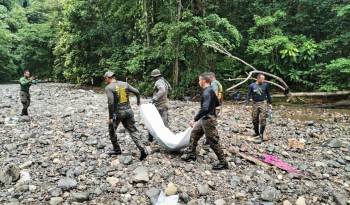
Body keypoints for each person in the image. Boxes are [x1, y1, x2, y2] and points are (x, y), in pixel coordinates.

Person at [182, 73, 229, 170]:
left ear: (204, 81)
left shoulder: (207, 92)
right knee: (194, 133)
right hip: (204, 118)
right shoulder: (211, 90)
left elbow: (205, 108)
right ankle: (191, 154)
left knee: (213, 141)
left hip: (208, 120)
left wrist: (194, 119)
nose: (199, 82)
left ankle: (223, 162)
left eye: (199, 80)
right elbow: (216, 103)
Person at [104, 71, 148, 160]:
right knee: (133, 130)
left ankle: (117, 149)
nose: (105, 80)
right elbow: (137, 92)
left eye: (105, 78)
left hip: (118, 113)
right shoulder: (125, 84)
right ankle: (143, 150)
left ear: (108, 78)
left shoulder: (109, 87)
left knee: (111, 129)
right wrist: (138, 101)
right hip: (129, 111)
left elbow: (111, 103)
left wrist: (110, 117)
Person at [245, 73, 272, 143]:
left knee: (263, 119)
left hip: (263, 103)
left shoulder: (265, 85)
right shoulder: (252, 86)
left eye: (264, 79)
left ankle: (261, 135)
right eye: (262, 79)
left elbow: (268, 94)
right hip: (255, 103)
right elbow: (248, 95)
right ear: (258, 78)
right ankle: (256, 132)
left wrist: (270, 103)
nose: (264, 80)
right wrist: (246, 104)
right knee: (254, 119)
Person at [149, 69, 172, 141]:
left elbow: (162, 90)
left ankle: (150, 138)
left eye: (153, 77)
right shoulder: (164, 81)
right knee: (165, 123)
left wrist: (154, 98)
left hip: (158, 106)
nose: (152, 78)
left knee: (151, 122)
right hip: (164, 104)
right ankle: (168, 138)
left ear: (155, 77)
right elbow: (170, 89)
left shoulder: (158, 82)